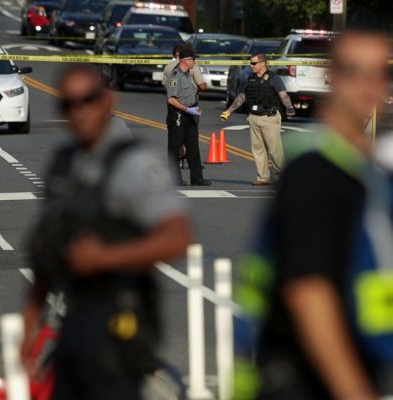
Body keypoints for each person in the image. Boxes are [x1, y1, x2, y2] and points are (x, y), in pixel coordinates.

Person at [233, 25, 392, 400]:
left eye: (381, 73)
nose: (368, 85)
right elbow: (309, 292)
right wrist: (353, 391)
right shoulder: (317, 170)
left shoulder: (363, 168)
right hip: (308, 379)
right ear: (331, 78)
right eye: (354, 71)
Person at [21, 65, 191, 399]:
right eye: (69, 104)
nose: (79, 112)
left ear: (107, 100)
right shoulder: (63, 163)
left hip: (119, 324)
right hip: (71, 321)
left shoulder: (135, 163)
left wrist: (107, 258)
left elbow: (178, 236)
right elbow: (46, 253)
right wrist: (29, 332)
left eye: (88, 100)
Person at [220, 53, 295, 186]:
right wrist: (229, 111)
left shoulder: (274, 78)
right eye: (251, 63)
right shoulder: (251, 78)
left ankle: (281, 177)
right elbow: (242, 97)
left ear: (262, 63)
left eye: (254, 63)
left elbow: (283, 95)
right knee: (257, 149)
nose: (251, 66)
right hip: (253, 117)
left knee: (274, 150)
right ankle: (263, 177)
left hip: (269, 117)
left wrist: (289, 107)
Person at [166, 48, 211, 186]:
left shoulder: (187, 75)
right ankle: (174, 179)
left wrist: (194, 108)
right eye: (193, 59)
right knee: (175, 148)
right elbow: (171, 100)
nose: (194, 62)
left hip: (190, 114)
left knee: (193, 147)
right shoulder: (175, 76)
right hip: (179, 115)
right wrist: (187, 109)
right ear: (185, 61)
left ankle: (197, 178)